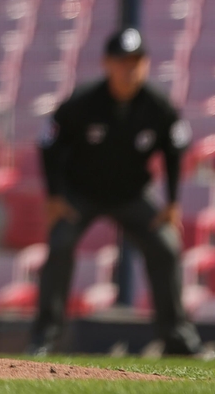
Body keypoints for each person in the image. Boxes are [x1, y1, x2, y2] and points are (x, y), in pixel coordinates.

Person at [28, 27, 205, 357]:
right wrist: (53, 196)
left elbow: (175, 146)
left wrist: (173, 201)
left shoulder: (158, 105)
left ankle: (177, 338)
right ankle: (45, 337)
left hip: (131, 195)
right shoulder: (83, 101)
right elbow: (48, 141)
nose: (130, 68)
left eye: (136, 61)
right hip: (80, 194)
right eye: (122, 61)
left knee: (166, 247)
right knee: (60, 242)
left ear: (146, 64)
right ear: (107, 64)